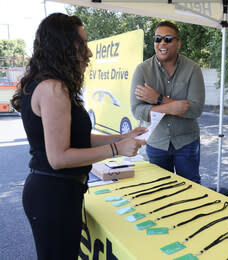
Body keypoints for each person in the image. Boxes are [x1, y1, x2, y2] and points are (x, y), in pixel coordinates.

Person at [11, 13, 146, 260]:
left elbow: (78, 140)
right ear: (63, 47)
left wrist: (122, 137)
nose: (89, 53)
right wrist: (117, 150)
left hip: (56, 193)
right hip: (53, 196)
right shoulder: (53, 89)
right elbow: (59, 157)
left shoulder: (47, 84)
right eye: (82, 44)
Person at [130, 21, 205, 184]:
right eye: (158, 39)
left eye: (168, 39)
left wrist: (158, 99)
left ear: (178, 43)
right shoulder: (142, 70)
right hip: (157, 142)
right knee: (160, 190)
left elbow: (196, 109)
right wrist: (172, 107)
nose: (162, 43)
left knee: (190, 190)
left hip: (187, 142)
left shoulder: (193, 69)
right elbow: (137, 110)